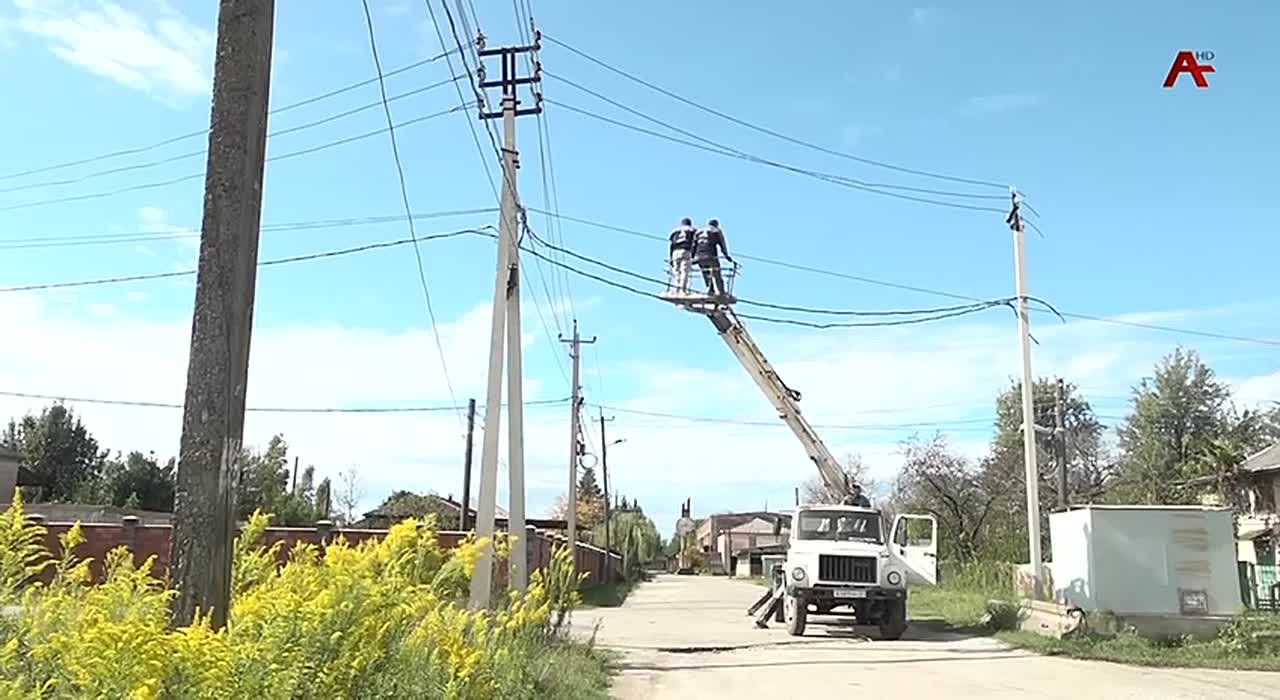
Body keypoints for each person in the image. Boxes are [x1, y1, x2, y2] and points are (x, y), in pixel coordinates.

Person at [694, 218, 733, 297]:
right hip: (711, 255)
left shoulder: (699, 231)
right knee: (716, 273)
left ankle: (710, 290)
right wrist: (726, 255)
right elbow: (722, 244)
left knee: (705, 273)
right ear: (716, 224)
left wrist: (692, 257)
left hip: (699, 256)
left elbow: (694, 244)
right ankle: (721, 292)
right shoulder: (716, 231)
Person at [667, 217, 696, 295]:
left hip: (675, 252)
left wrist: (670, 258)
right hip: (686, 250)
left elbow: (671, 245)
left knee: (676, 271)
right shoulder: (692, 230)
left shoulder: (675, 231)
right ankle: (682, 290)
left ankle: (675, 289)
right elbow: (695, 243)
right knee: (684, 271)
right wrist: (693, 256)